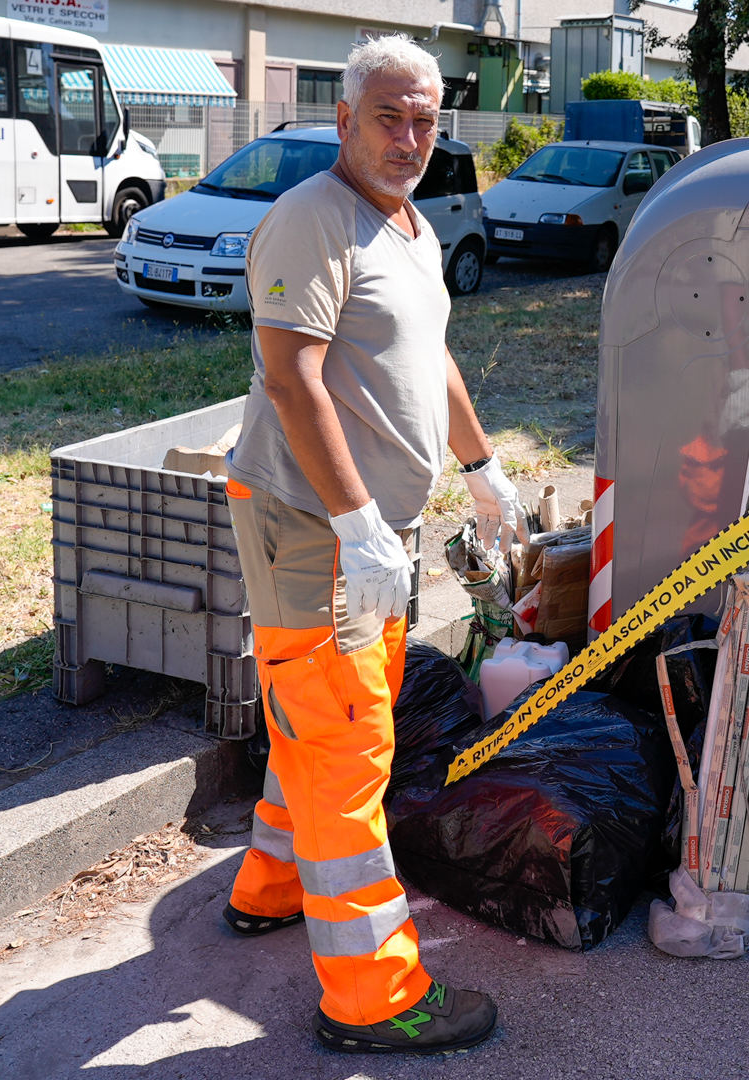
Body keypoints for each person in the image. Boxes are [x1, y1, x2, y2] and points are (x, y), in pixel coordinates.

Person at [218, 35, 524, 1055]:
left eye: (426, 119)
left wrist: (481, 470)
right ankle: (374, 997)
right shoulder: (312, 220)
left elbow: (429, 354)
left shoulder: (408, 227)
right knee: (348, 744)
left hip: (369, 531)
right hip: (313, 526)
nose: (408, 137)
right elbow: (292, 379)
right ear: (344, 120)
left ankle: (269, 887)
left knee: (327, 714)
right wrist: (354, 526)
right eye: (388, 116)